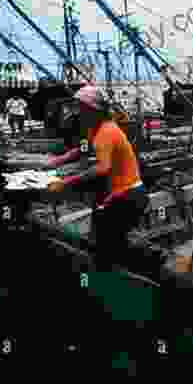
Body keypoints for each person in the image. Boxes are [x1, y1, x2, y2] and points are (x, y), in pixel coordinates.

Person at [46, 84, 148, 271]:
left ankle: (115, 274)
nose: (77, 111)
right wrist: (60, 159)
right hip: (120, 193)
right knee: (104, 236)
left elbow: (102, 168)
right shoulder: (95, 129)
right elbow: (84, 148)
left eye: (81, 107)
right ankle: (109, 268)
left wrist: (66, 182)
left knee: (108, 242)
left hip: (128, 196)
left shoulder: (106, 132)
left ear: (92, 110)